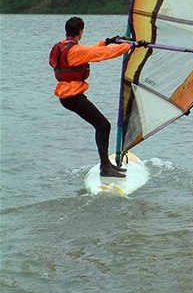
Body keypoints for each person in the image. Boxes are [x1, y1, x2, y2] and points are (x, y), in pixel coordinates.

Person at [50, 16, 136, 178]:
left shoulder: (64, 46)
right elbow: (103, 54)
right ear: (80, 31)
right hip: (73, 97)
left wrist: (106, 41)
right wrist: (130, 46)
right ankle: (105, 167)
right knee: (103, 126)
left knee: (102, 125)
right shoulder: (76, 51)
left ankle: (106, 164)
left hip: (67, 96)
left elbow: (91, 50)